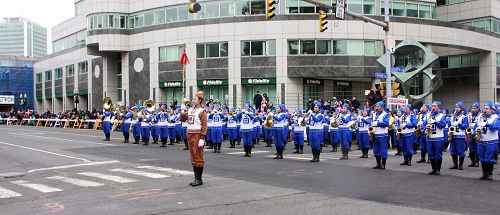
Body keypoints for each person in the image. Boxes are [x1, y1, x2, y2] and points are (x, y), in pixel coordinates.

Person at [180, 91, 208, 187]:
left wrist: (202, 137)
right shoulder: (190, 109)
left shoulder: (202, 111)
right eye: (192, 99)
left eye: (195, 99)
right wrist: (183, 112)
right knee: (192, 156)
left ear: (199, 100)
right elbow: (183, 120)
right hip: (189, 133)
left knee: (198, 155)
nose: (192, 100)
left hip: (197, 134)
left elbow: (204, 125)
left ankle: (199, 179)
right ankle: (196, 178)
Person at [475, 102, 499, 180]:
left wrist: (487, 124)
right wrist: (475, 132)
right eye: (484, 108)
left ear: (491, 110)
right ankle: (484, 173)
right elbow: (475, 126)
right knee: (481, 157)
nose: (485, 110)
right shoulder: (480, 117)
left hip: (490, 141)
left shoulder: (496, 117)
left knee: (489, 158)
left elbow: (496, 127)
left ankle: (490, 174)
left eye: (487, 109)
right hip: (481, 140)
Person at [426, 101, 446, 175]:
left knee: (438, 154)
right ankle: (433, 168)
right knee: (431, 154)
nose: (433, 108)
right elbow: (425, 124)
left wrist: (435, 122)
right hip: (430, 137)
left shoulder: (441, 115)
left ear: (438, 107)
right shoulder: (428, 115)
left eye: (435, 106)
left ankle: (438, 169)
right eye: (432, 106)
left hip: (438, 137)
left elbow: (443, 125)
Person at [448, 102, 468, 170]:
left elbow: (465, 126)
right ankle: (455, 164)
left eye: (458, 107)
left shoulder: (464, 117)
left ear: (461, 108)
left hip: (460, 136)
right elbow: (449, 125)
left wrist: (459, 124)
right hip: (453, 135)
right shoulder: (452, 116)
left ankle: (461, 164)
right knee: (453, 151)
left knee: (460, 151)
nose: (456, 109)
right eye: (456, 107)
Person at [371, 101, 390, 170]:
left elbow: (386, 123)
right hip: (375, 134)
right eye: (376, 106)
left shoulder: (386, 114)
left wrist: (377, 123)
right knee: (376, 150)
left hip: (383, 134)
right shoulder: (373, 114)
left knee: (383, 150)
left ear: (382, 107)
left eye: (378, 106)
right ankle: (378, 164)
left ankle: (383, 164)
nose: (377, 107)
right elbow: (371, 123)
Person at [468, 102, 481, 167]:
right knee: (471, 150)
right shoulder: (469, 115)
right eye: (472, 108)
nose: (473, 109)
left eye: (474, 108)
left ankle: (477, 162)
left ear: (478, 108)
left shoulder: (480, 116)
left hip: (476, 134)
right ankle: (472, 162)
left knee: (477, 149)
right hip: (470, 134)